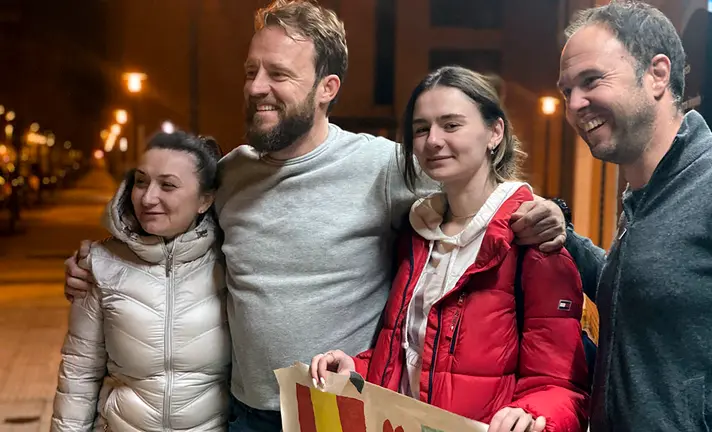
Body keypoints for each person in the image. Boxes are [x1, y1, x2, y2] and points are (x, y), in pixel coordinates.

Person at [62, 1, 572, 430]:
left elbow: (478, 193)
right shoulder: (231, 173)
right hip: (244, 413)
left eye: (279, 74)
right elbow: (168, 233)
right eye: (251, 71)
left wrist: (549, 210)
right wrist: (104, 260)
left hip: (340, 412)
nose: (257, 87)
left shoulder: (384, 166)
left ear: (327, 87)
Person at [310, 66, 590, 432]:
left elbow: (561, 385)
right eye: (421, 129)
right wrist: (357, 370)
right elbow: (414, 358)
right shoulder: (417, 234)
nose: (432, 140)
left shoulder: (533, 239)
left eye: (451, 125)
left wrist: (532, 413)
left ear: (495, 132)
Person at [557, 2, 712, 430]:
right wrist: (563, 234)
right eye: (566, 92)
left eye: (591, 80)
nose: (575, 104)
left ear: (657, 74)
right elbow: (641, 290)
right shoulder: (641, 197)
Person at [51, 132, 230, 431]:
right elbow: (79, 373)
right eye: (141, 181)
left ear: (204, 200)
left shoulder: (231, 261)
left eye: (168, 185)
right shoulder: (100, 264)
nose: (148, 198)